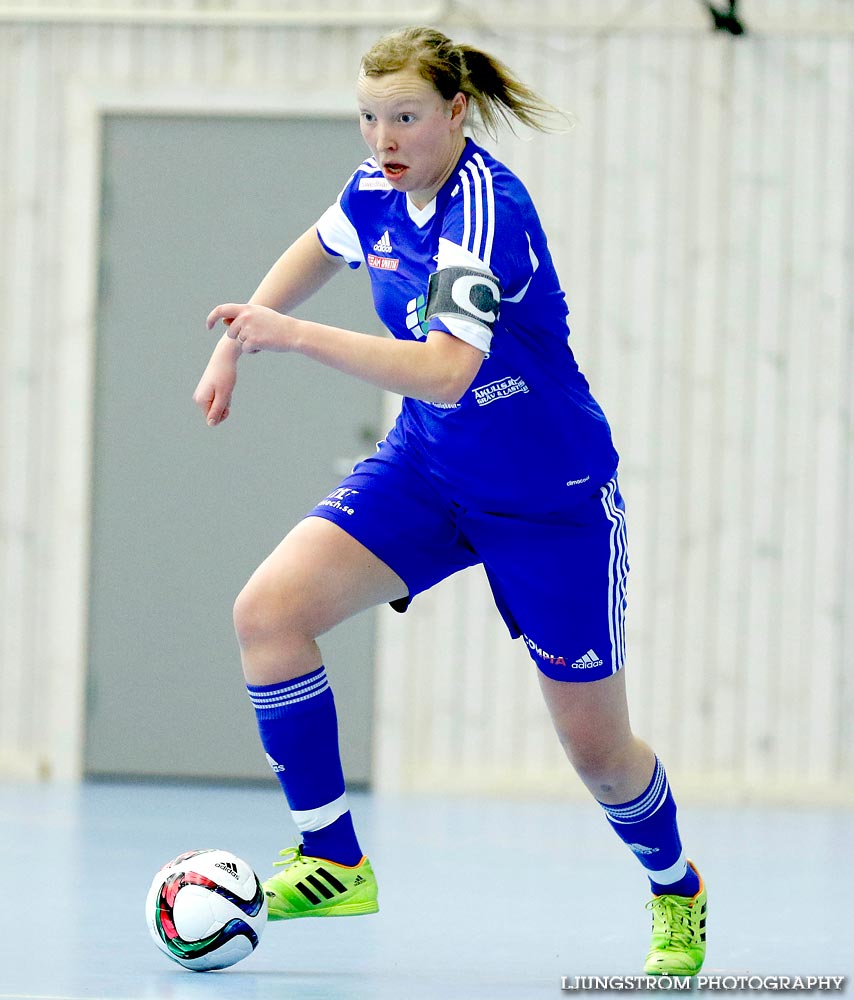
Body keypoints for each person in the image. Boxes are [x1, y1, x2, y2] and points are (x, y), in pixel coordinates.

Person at [193, 25, 706, 976]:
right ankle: (332, 858)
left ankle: (676, 887)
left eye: (406, 117)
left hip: (548, 500)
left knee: (596, 751)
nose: (383, 137)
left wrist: (294, 338)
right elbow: (318, 246)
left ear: (456, 113)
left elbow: (444, 372)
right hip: (430, 473)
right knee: (268, 613)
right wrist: (237, 339)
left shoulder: (486, 211)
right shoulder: (374, 191)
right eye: (369, 116)